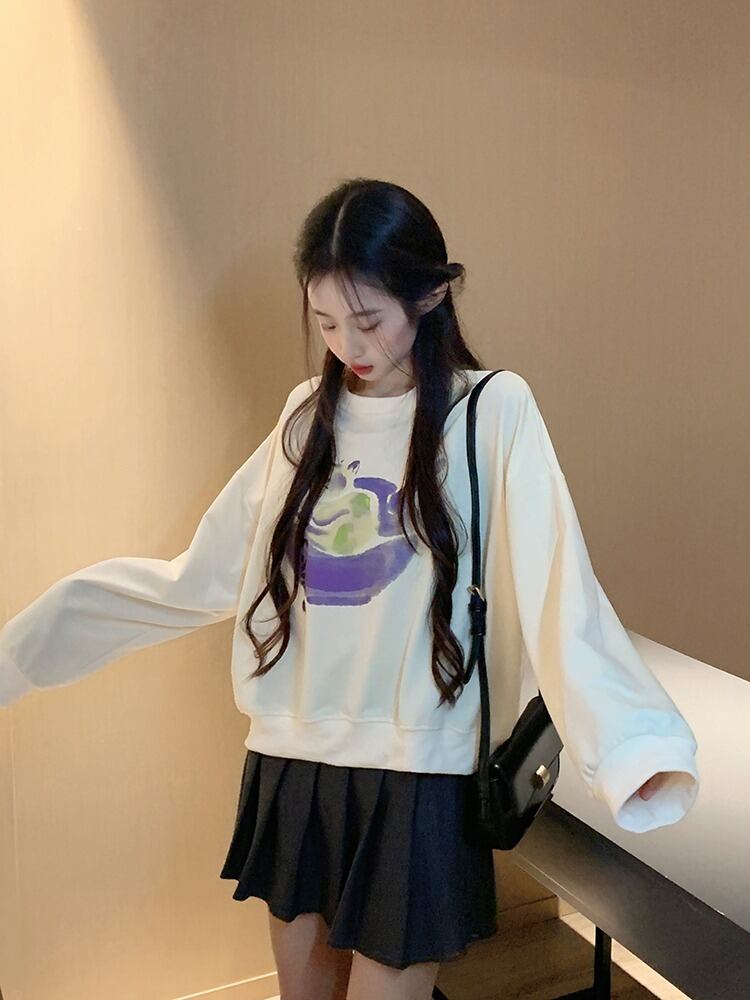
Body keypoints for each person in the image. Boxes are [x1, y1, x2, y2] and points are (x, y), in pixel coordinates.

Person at [0, 178, 699, 1000]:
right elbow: (204, 575)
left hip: (418, 771)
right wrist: (24, 651)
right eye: (326, 322)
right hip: (294, 758)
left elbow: (557, 583)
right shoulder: (308, 416)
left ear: (431, 294)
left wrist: (631, 744)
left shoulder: (490, 410)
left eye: (367, 320)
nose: (346, 345)